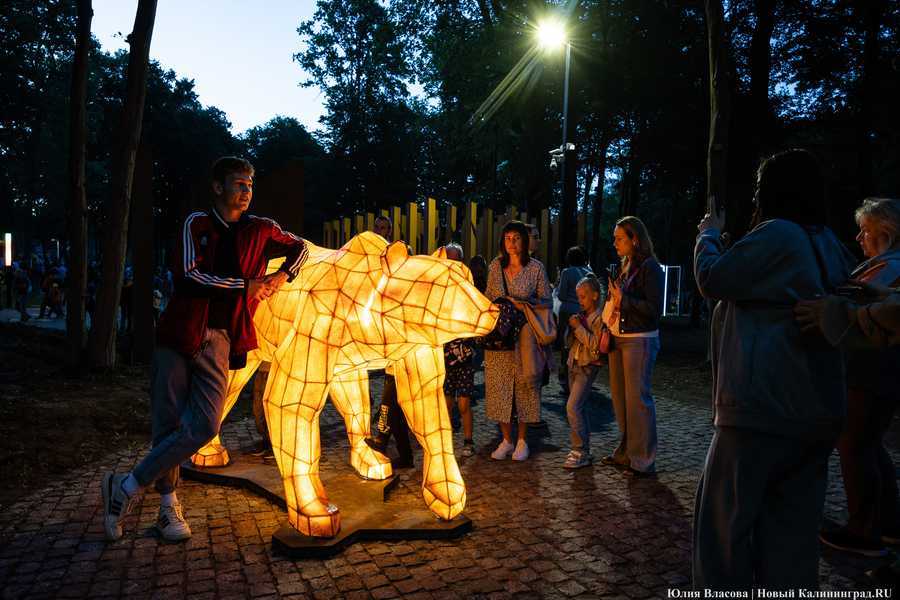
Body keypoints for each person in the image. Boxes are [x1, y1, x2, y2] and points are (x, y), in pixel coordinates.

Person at [100, 156, 308, 543]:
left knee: (207, 426)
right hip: (178, 336)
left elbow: (300, 248)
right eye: (238, 183)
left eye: (249, 184)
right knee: (167, 426)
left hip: (221, 338)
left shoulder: (263, 229)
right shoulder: (196, 223)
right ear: (218, 187)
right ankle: (168, 508)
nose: (246, 191)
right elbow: (187, 276)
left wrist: (281, 276)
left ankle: (125, 487)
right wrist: (248, 285)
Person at [692, 149, 855, 590]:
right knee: (792, 542)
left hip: (762, 409)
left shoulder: (778, 233)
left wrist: (708, 236)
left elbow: (712, 279)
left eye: (761, 184)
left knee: (722, 534)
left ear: (773, 189)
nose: (756, 193)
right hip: (816, 413)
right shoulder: (829, 241)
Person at [814, 198, 900, 557]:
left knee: (853, 447)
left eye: (865, 229)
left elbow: (866, 311)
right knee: (869, 446)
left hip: (871, 370)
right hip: (874, 370)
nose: (859, 236)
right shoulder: (878, 265)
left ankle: (864, 532)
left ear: (884, 231)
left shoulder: (890, 266)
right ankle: (890, 524)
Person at [484, 220, 553, 462]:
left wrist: (521, 305)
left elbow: (547, 300)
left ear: (524, 240)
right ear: (503, 242)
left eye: (516, 238)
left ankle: (523, 441)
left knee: (525, 387)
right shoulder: (495, 267)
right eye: (507, 238)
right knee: (499, 387)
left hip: (525, 337)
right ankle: (506, 441)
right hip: (500, 338)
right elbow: (487, 299)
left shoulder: (535, 268)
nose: (512, 243)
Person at [601, 216, 664, 478]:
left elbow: (654, 308)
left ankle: (642, 461)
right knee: (621, 401)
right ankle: (626, 453)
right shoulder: (625, 266)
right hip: (619, 338)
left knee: (637, 400)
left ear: (634, 239)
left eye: (619, 238)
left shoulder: (650, 267)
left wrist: (622, 298)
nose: (614, 243)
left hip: (639, 339)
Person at [563, 275, 605, 469]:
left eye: (583, 297)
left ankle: (579, 449)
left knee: (572, 407)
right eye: (578, 297)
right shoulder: (581, 315)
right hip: (574, 365)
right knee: (579, 408)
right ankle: (583, 449)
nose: (579, 301)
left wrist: (579, 328)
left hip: (587, 368)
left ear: (594, 296)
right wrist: (571, 328)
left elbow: (595, 345)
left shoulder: (599, 318)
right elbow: (567, 343)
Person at [442, 244, 477, 457]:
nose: (451, 264)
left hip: (463, 356)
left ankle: (468, 442)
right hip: (445, 356)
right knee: (447, 403)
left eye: (455, 260)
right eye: (448, 260)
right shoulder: (440, 288)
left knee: (463, 403)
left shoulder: (467, 287)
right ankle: (446, 444)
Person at [554, 247, 593, 394]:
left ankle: (570, 383)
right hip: (584, 312)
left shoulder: (567, 272)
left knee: (567, 347)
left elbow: (562, 295)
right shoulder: (588, 272)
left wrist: (556, 289)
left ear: (569, 259)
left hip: (568, 312)